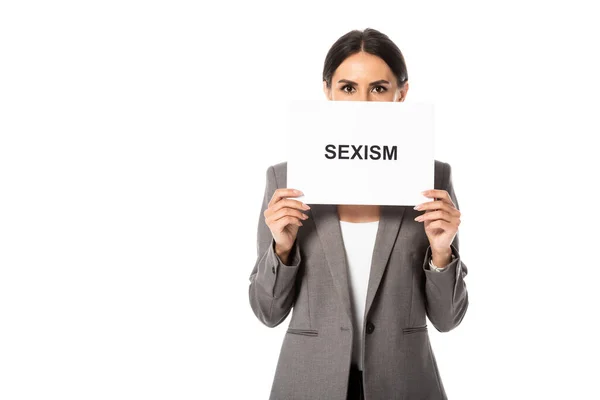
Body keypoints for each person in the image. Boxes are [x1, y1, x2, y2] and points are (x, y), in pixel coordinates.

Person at [248, 27, 469, 400]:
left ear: (402, 94)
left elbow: (447, 320)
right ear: (327, 92)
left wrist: (442, 252)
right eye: (348, 88)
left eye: (379, 88)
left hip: (404, 383)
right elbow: (267, 312)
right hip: (309, 382)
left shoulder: (432, 178)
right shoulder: (286, 179)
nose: (362, 102)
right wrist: (282, 250)